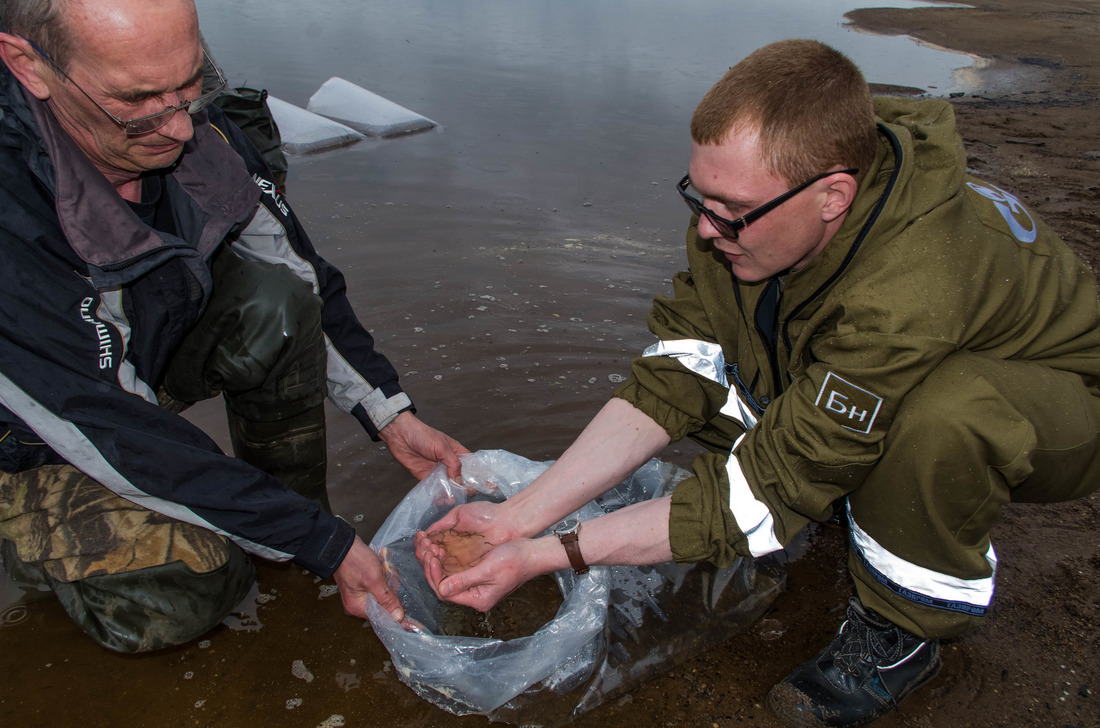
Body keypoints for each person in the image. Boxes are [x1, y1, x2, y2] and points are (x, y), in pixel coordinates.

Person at [416, 39, 1100, 728]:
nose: (708, 228)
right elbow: (677, 375)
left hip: (1062, 406)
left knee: (938, 419)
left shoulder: (909, 290)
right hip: (883, 359)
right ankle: (852, 484)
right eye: (698, 196)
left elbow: (766, 492)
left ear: (833, 196)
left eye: (731, 210)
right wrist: (518, 515)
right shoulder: (740, 214)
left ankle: (903, 633)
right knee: (750, 382)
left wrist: (547, 554)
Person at [0, 0, 467, 653]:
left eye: (191, 87)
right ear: (29, 66)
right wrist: (321, 543)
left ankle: (278, 527)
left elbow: (298, 273)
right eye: (139, 101)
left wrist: (389, 414)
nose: (181, 129)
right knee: (190, 584)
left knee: (273, 306)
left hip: (117, 364)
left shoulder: (192, 126)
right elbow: (107, 425)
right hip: (25, 432)